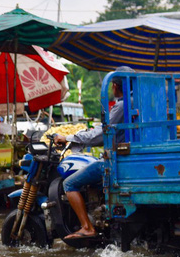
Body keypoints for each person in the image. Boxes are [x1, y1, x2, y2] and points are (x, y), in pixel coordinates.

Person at [53, 66, 132, 240]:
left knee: (69, 184)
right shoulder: (137, 103)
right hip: (128, 158)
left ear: (115, 87)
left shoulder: (122, 106)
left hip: (117, 161)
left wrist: (67, 138)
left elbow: (99, 135)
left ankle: (87, 227)